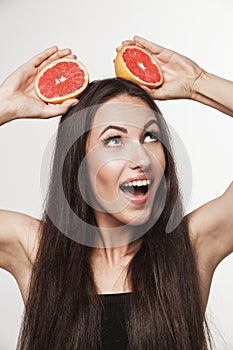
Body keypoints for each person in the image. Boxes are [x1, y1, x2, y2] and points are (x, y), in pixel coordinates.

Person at [0, 36, 232, 349]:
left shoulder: (192, 245)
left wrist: (198, 83)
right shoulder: (35, 251)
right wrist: (4, 105)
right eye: (113, 140)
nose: (141, 158)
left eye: (150, 136)